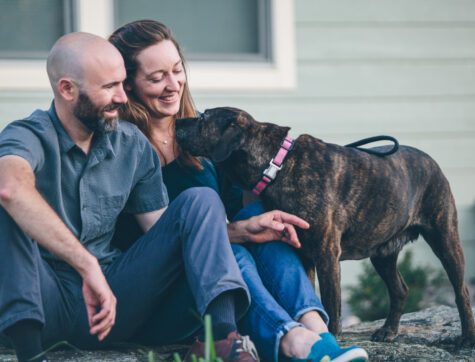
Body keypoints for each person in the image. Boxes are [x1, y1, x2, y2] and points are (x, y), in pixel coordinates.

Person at [0, 31, 310, 362]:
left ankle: (222, 339)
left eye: (122, 84)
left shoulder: (131, 145)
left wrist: (239, 230)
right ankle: (29, 354)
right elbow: (10, 187)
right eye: (109, 88)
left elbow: (168, 230)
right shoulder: (27, 135)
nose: (122, 97)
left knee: (199, 200)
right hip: (45, 300)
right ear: (67, 89)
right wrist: (86, 264)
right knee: (7, 205)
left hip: (114, 304)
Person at [109, 19, 369, 362]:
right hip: (164, 298)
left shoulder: (203, 134)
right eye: (157, 78)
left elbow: (237, 209)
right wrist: (236, 233)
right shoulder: (123, 149)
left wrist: (262, 223)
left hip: (223, 290)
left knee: (258, 220)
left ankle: (318, 333)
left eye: (176, 71)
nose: (173, 85)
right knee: (235, 250)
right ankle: (291, 341)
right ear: (127, 85)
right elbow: (160, 246)